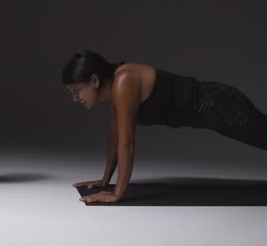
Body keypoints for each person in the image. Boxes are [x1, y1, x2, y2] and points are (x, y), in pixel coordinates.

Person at [62, 50, 267, 203]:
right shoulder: (115, 94)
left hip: (220, 105)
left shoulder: (124, 81)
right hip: (214, 112)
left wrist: (118, 193)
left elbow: (127, 143)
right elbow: (115, 138)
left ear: (94, 80)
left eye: (76, 90)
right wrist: (105, 179)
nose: (75, 98)